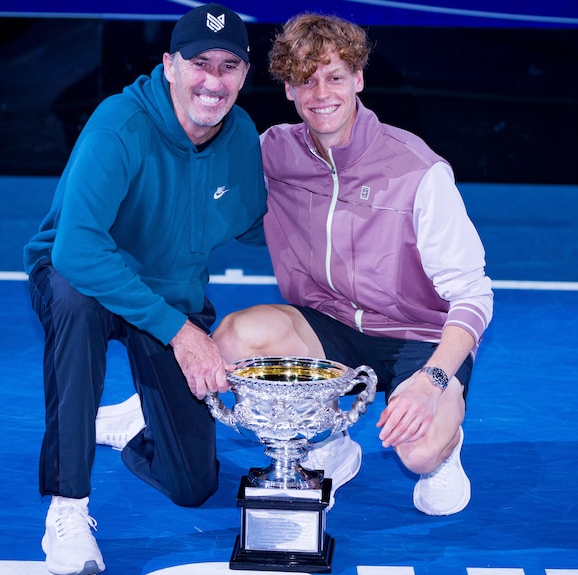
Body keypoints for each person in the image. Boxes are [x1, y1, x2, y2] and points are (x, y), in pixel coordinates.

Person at [213, 13, 493, 516]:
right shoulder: (274, 152)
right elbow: (199, 180)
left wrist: (432, 382)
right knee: (234, 336)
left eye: (335, 77)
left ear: (359, 79)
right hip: (329, 324)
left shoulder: (417, 169)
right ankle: (329, 441)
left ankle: (447, 449)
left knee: (419, 451)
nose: (322, 93)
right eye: (306, 80)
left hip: (419, 336)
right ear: (289, 90)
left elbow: (473, 296)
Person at [23, 4, 266, 574]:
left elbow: (258, 225)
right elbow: (76, 250)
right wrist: (181, 333)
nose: (213, 80)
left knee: (193, 484)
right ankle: (67, 507)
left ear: (245, 74)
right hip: (84, 279)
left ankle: (133, 423)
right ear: (169, 65)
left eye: (228, 66)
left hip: (169, 292)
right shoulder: (120, 124)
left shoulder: (242, 136)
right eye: (198, 62)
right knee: (74, 302)